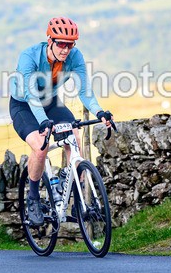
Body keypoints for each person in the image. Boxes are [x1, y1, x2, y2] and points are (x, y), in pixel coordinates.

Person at [9, 17, 114, 226]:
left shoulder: (75, 57)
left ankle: (76, 196)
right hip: (24, 105)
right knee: (41, 147)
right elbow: (31, 95)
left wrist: (99, 112)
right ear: (50, 41)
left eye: (70, 44)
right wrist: (44, 122)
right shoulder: (29, 57)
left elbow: (85, 91)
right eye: (61, 44)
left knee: (74, 137)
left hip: (50, 101)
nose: (66, 49)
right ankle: (33, 199)